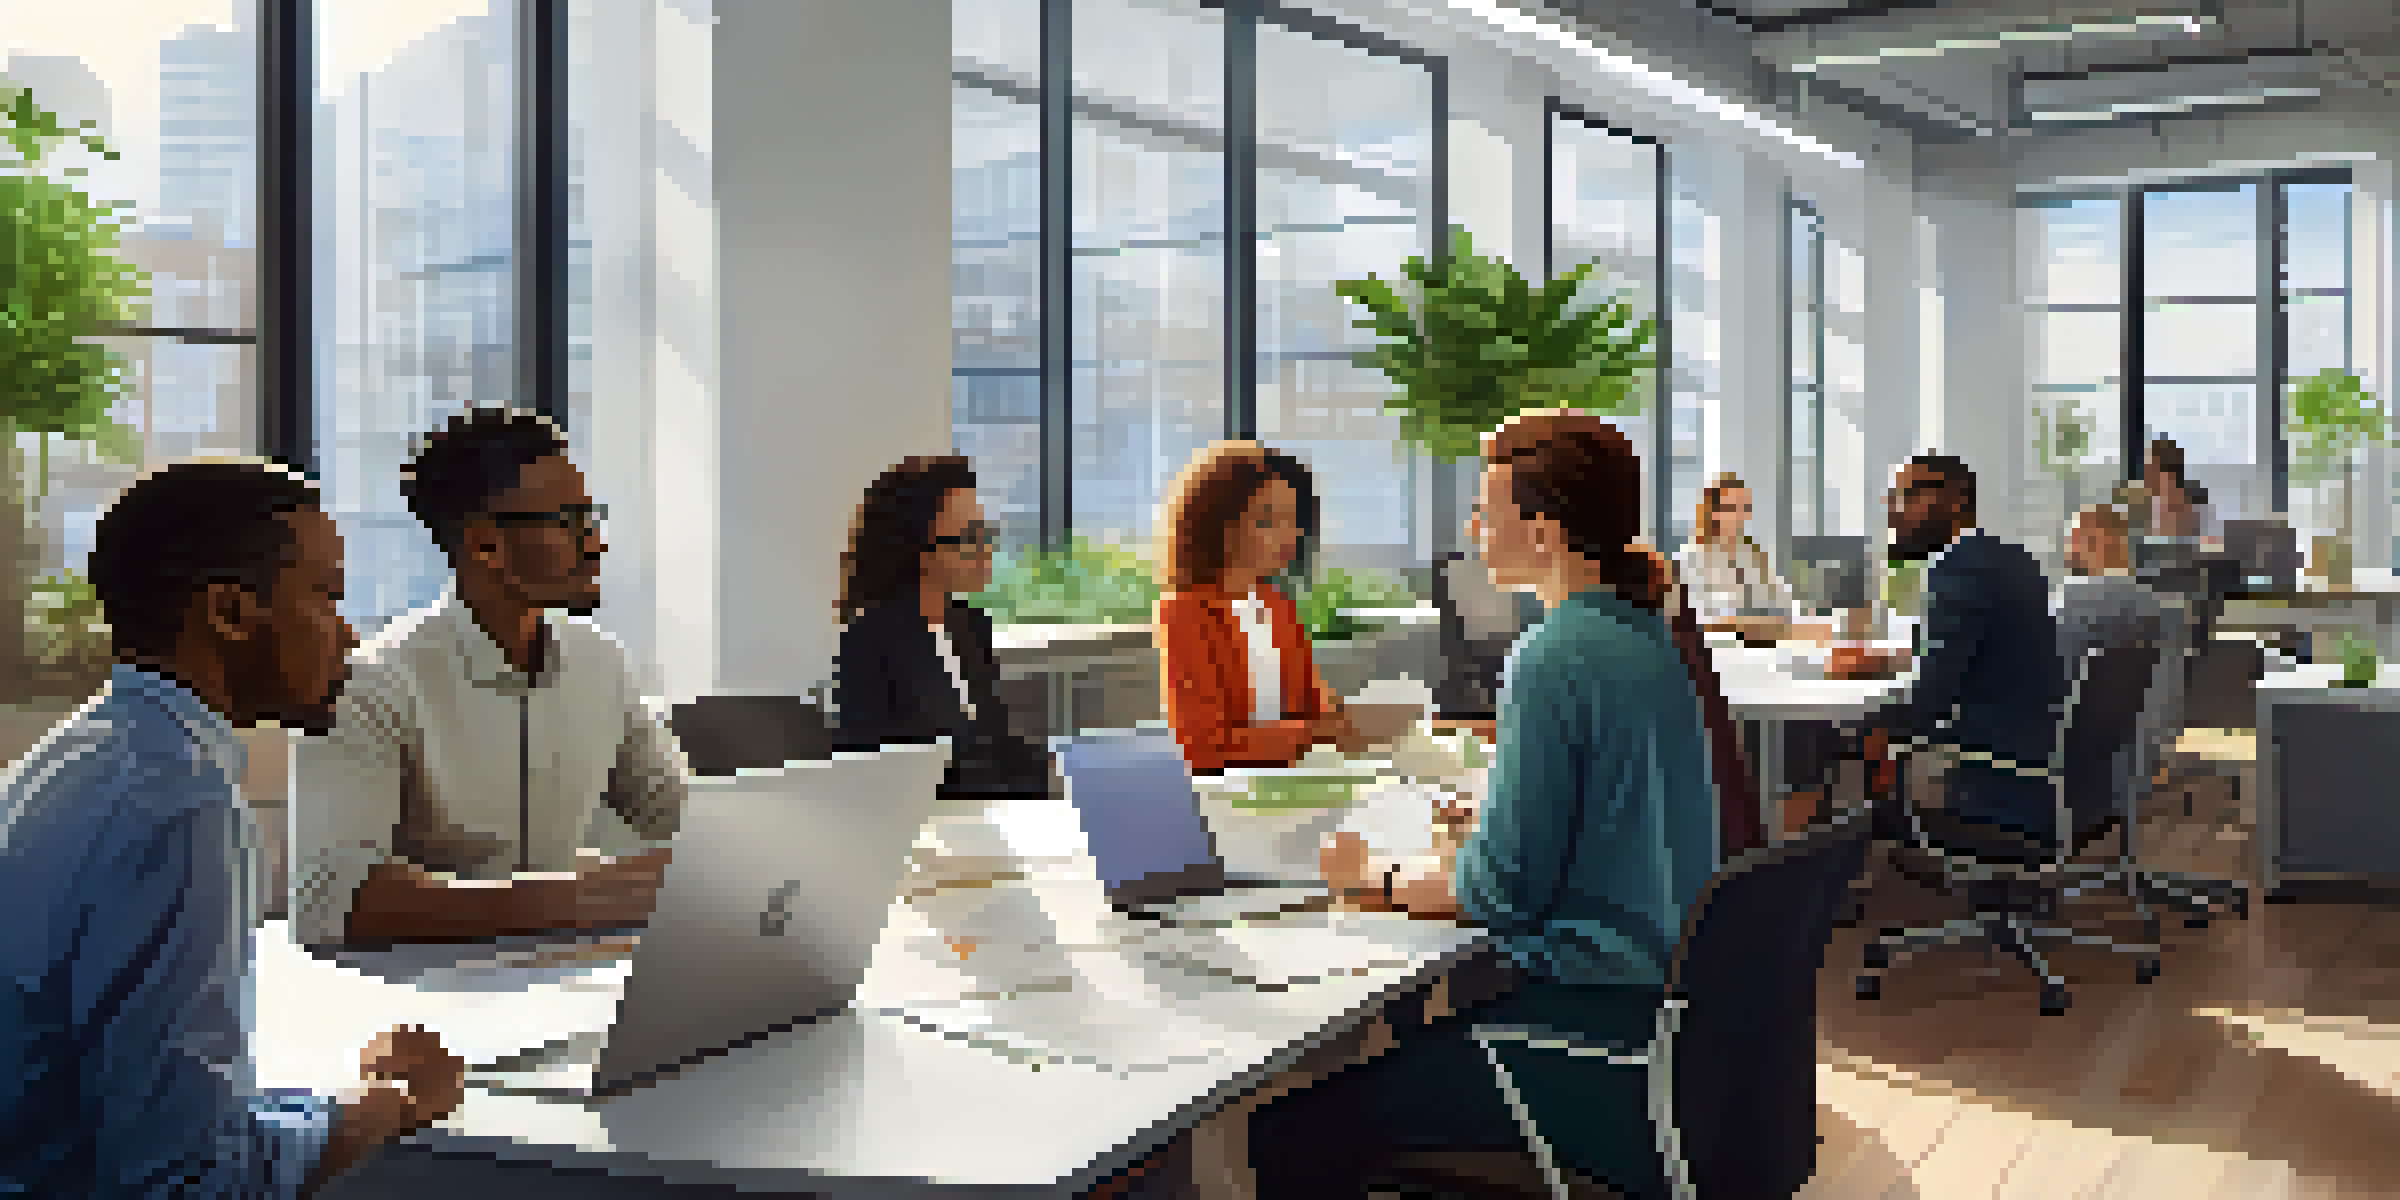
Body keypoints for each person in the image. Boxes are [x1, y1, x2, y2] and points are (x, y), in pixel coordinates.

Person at [1253, 411, 1718, 1198]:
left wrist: (1374, 884)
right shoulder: (1648, 639)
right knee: (1410, 1031)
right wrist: (1496, 827)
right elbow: (1614, 821)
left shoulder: (1552, 655)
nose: (1472, 526)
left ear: (1543, 533)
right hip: (1664, 1012)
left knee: (1288, 1127)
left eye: (1485, 509)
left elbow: (1502, 896)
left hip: (1592, 1027)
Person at [0, 460, 465, 1197]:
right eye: (326, 596)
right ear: (229, 612)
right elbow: (183, 1181)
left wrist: (326, 1104)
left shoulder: (75, 756)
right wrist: (381, 1106)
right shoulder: (178, 807)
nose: (347, 634)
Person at [289, 409, 687, 949]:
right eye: (568, 522)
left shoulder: (600, 659)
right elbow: (330, 902)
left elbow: (680, 814)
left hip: (570, 978)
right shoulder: (372, 683)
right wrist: (581, 896)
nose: (595, 544)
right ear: (484, 545)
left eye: (592, 518)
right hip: (420, 1000)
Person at [1853, 455, 2069, 844]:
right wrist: (1887, 660)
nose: (1891, 509)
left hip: (2000, 768)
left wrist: (1877, 723)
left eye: (1906, 495)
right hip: (2037, 748)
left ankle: (1832, 864)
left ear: (1954, 501)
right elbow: (1980, 649)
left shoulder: (1958, 570)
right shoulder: (2011, 558)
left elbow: (1931, 699)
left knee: (1850, 732)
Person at [832, 455, 1050, 796]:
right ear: (920, 551)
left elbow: (997, 740)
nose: (986, 550)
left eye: (986, 533)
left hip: (989, 818)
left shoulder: (971, 627)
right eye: (970, 538)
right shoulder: (871, 641)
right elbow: (872, 771)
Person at [1154, 441, 1364, 774]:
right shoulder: (1185, 612)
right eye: (1268, 519)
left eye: (1293, 519)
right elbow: (1205, 745)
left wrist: (1361, 720)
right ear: (1221, 523)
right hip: (1228, 793)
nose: (1290, 534)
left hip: (1297, 781)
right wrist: (1322, 733)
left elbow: (1316, 706)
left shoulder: (1277, 606)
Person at [2056, 502, 2187, 798]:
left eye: (2070, 537)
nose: (2067, 546)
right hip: (2133, 765)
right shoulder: (2165, 610)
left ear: (2086, 540)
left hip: (2069, 765)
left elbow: (2050, 681)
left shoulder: (2072, 604)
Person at [1676, 472, 1797, 629]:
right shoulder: (1694, 556)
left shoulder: (1750, 551)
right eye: (1731, 508)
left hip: (1764, 636)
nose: (1740, 516)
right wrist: (1774, 625)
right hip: (1721, 645)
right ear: (1713, 513)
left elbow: (1781, 600)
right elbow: (1710, 621)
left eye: (1744, 508)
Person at [2144, 436, 2218, 541]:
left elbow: (2210, 539)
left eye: (2151, 466)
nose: (2146, 473)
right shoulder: (2149, 502)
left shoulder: (2197, 501)